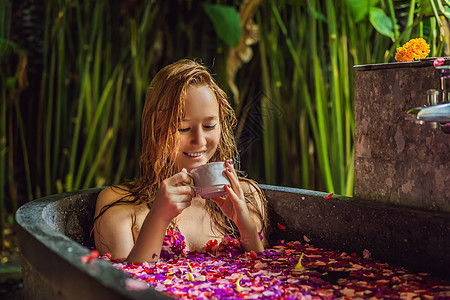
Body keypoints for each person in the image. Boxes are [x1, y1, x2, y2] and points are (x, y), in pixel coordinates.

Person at [93, 59, 269, 263]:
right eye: (183, 129)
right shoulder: (119, 205)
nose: (200, 140)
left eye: (210, 126)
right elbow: (121, 289)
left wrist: (245, 226)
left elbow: (266, 276)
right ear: (154, 131)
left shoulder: (247, 198)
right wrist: (157, 219)